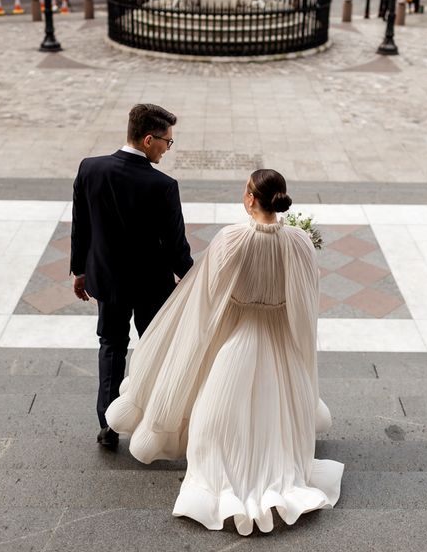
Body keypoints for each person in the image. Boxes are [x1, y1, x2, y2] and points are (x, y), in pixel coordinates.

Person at [106, 169, 344, 535]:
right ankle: (276, 472)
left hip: (240, 337)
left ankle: (222, 474)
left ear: (250, 199)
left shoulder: (231, 239)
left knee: (216, 414)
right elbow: (307, 303)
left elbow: (209, 297)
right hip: (280, 340)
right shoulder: (298, 242)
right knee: (275, 410)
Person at [70, 104, 193, 450]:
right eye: (167, 142)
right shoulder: (163, 185)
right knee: (153, 350)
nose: (168, 149)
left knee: (111, 346)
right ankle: (150, 422)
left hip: (106, 280)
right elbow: (175, 246)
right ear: (149, 139)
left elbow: (82, 226)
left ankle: (108, 425)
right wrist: (194, 278)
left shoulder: (90, 169)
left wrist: (80, 270)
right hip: (150, 286)